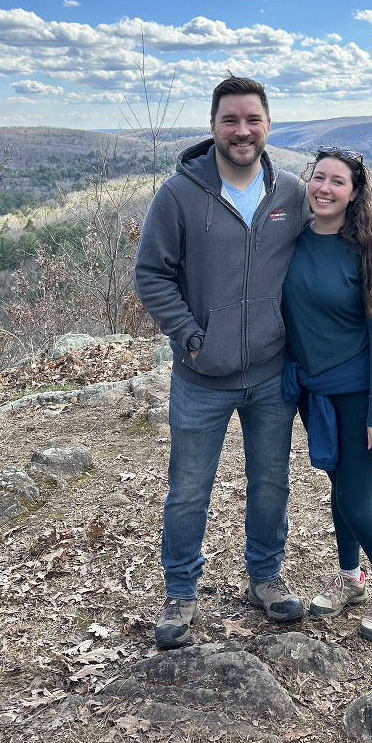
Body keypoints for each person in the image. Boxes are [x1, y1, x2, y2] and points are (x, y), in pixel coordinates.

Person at [134, 75, 309, 649]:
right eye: (230, 120)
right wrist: (191, 338)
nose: (242, 131)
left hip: (271, 374)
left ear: (268, 125)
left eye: (252, 119)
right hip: (200, 377)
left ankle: (265, 578)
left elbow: (327, 250)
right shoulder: (178, 195)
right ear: (212, 126)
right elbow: (151, 275)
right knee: (188, 490)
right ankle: (181, 593)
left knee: (270, 483)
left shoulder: (290, 194)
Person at [281, 146, 372, 642]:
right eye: (319, 178)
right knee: (339, 492)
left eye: (338, 181)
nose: (325, 188)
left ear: (355, 194)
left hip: (359, 393)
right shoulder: (293, 240)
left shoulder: (369, 252)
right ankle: (350, 577)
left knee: (356, 502)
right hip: (315, 392)